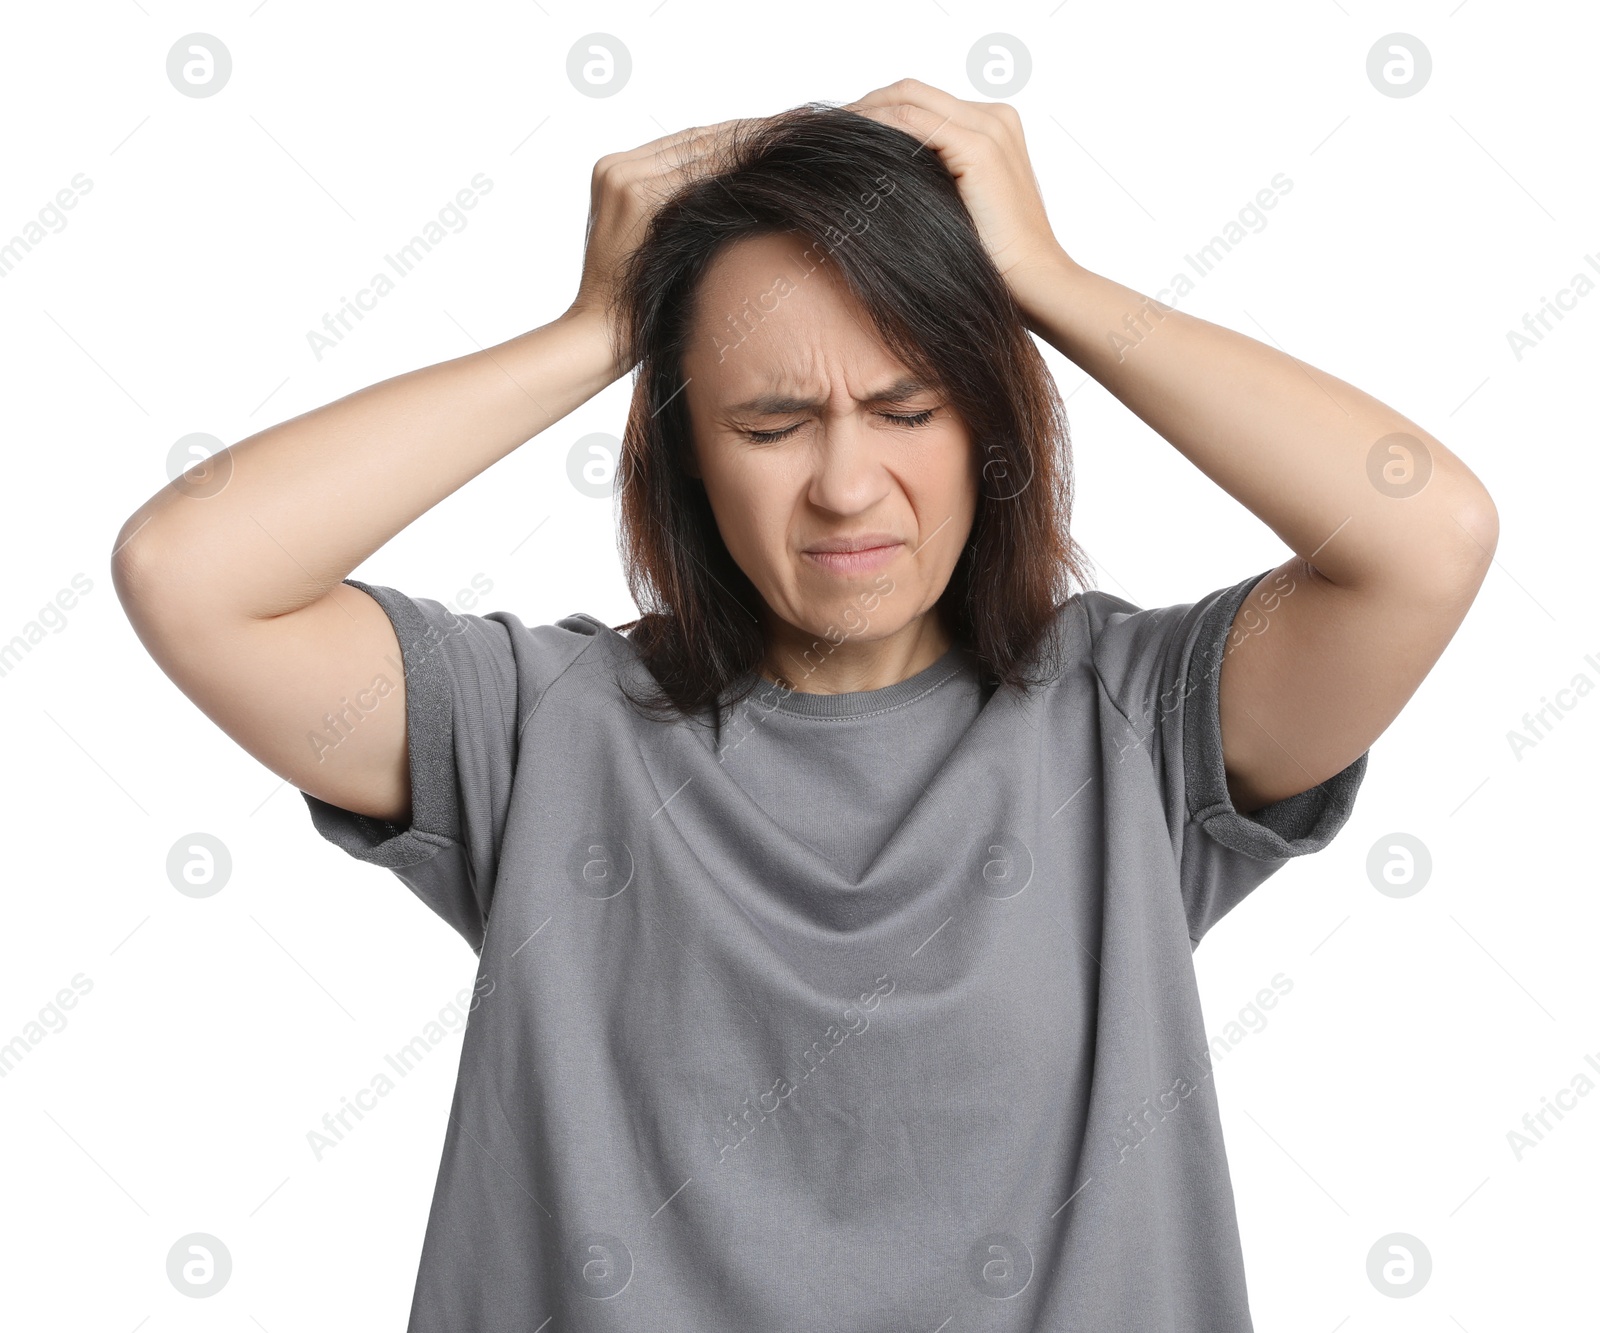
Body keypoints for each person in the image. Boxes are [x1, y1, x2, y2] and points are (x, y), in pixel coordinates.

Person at [111, 78, 1497, 1332]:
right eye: (771, 424)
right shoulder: (543, 731)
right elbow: (191, 572)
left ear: (993, 431)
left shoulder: (1130, 725)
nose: (844, 484)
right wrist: (592, 333)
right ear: (686, 455)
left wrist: (1052, 282)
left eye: (909, 408)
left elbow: (1425, 533)